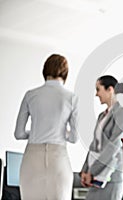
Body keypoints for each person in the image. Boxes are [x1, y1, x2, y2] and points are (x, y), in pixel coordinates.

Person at [14, 54, 79, 200]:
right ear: (65, 73)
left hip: (32, 159)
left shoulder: (30, 95)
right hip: (58, 160)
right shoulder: (71, 98)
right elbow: (74, 138)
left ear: (45, 71)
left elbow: (19, 134)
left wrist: (37, 131)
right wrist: (60, 132)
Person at [80, 75, 123, 200]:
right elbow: (94, 145)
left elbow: (113, 146)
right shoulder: (102, 116)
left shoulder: (121, 113)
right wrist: (84, 171)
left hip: (111, 177)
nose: (96, 94)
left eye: (98, 89)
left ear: (110, 89)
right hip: (95, 176)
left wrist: (92, 171)